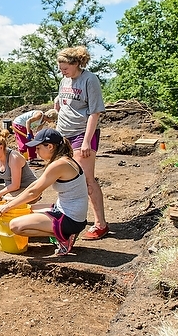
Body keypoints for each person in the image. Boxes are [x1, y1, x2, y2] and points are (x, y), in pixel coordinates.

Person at [0, 128, 88, 256]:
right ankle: (64, 233)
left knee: (15, 226)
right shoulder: (64, 160)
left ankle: (64, 236)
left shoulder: (58, 165)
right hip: (70, 212)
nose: (36, 152)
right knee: (27, 209)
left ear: (50, 146)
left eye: (38, 148)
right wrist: (13, 200)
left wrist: (8, 206)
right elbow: (35, 184)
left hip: (71, 219)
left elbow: (34, 192)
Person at [54, 46, 108, 240]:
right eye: (61, 69)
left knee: (85, 180)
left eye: (66, 68)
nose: (63, 72)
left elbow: (95, 112)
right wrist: (58, 101)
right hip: (64, 133)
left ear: (76, 64)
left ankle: (100, 223)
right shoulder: (64, 80)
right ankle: (68, 217)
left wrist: (86, 142)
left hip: (82, 133)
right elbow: (65, 98)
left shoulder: (90, 80)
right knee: (64, 178)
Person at [0, 129, 37, 213]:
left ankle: (15, 217)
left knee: (7, 199)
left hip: (28, 189)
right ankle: (0, 215)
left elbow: (15, 185)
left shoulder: (13, 158)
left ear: (1, 147)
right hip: (11, 188)